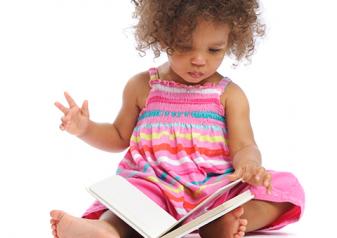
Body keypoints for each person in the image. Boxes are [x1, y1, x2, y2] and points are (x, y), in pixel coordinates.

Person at [50, 0, 305, 237]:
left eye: (215, 49)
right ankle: (105, 230)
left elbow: (244, 146)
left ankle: (223, 221)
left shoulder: (230, 95)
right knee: (128, 201)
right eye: (184, 47)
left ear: (231, 41)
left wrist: (249, 165)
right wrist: (85, 128)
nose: (199, 60)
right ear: (163, 37)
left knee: (286, 187)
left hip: (213, 191)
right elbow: (118, 136)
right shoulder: (143, 86)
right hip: (153, 186)